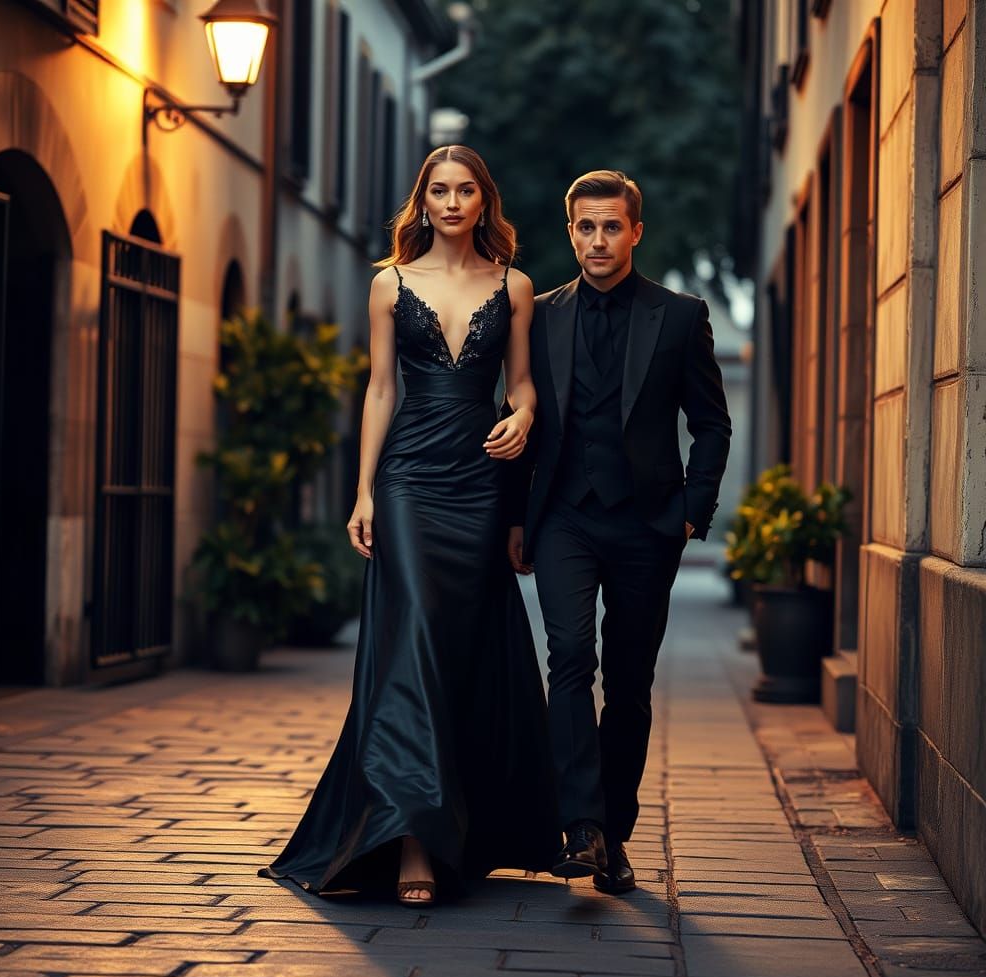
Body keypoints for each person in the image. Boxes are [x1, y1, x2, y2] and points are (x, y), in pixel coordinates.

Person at [259, 145, 559, 906]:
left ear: (484, 202)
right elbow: (380, 390)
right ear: (421, 203)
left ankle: (464, 824)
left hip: (480, 480)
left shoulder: (515, 286)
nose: (452, 202)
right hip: (408, 480)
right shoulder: (388, 285)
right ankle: (412, 839)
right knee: (416, 637)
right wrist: (363, 490)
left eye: (465, 191)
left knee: (460, 649)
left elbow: (521, 385)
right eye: (439, 191)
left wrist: (522, 416)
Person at [505, 170, 731, 895]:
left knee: (630, 684)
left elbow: (712, 424)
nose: (597, 240)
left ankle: (616, 832)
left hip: (646, 523)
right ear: (570, 230)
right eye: (585, 227)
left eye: (611, 227)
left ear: (635, 231)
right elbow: (519, 421)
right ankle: (583, 828)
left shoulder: (679, 315)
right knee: (569, 655)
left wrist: (692, 511)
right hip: (567, 514)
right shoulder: (537, 315)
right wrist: (516, 518)